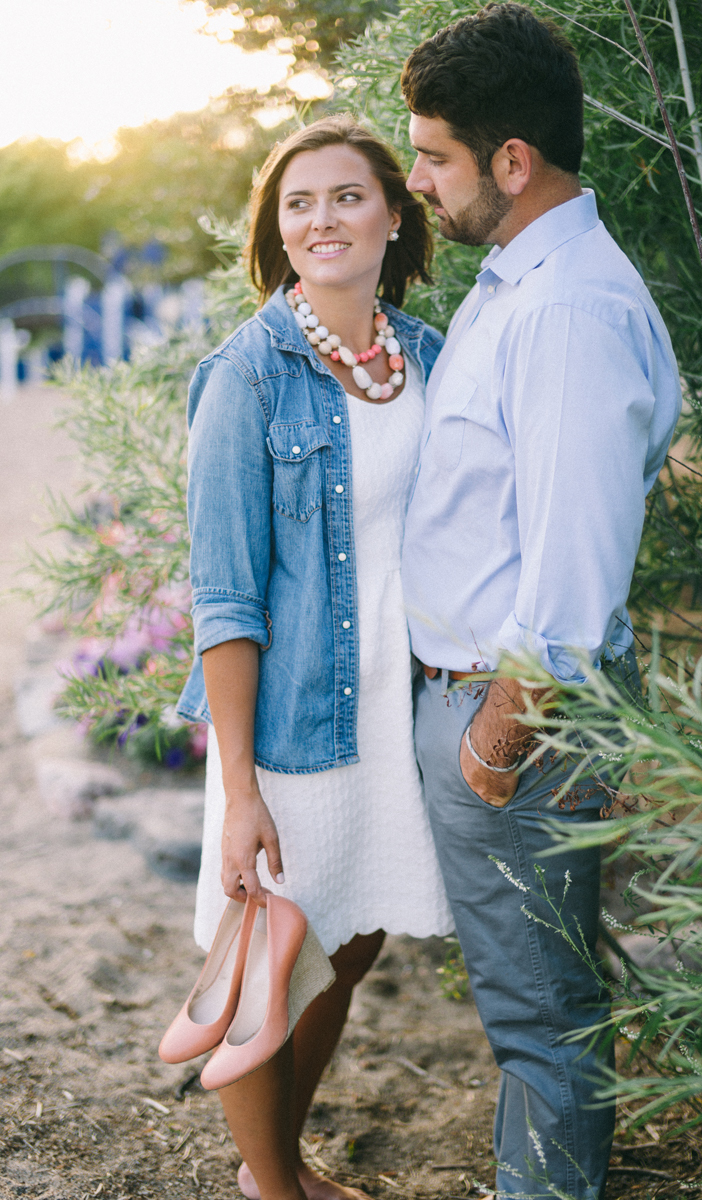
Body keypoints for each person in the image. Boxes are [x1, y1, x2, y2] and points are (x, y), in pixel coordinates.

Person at [400, 6, 681, 1199]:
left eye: (432, 157)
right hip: (491, 713)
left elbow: (571, 569)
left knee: (541, 1026)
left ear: (511, 163)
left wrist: (492, 746)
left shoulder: (566, 310)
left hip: (514, 723)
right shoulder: (520, 280)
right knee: (535, 1014)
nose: (416, 183)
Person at [175, 115, 453, 1200]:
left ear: (393, 212)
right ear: (276, 231)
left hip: (398, 709)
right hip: (293, 723)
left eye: (345, 195)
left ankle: (276, 1164)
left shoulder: (428, 358)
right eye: (298, 202)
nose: (322, 217)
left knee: (354, 937)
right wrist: (239, 787)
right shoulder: (244, 377)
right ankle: (270, 1186)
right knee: (267, 960)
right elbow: (225, 598)